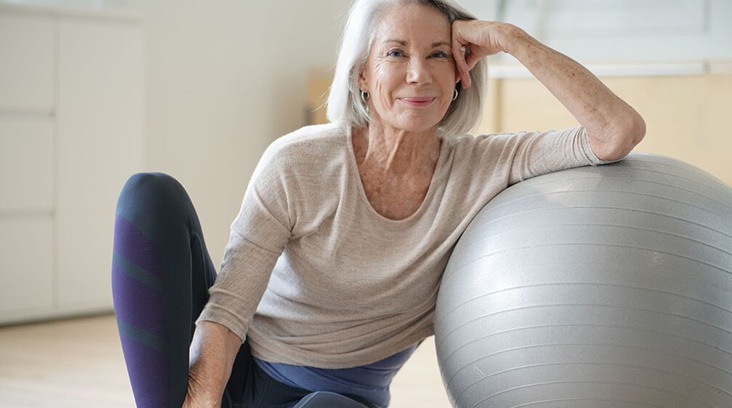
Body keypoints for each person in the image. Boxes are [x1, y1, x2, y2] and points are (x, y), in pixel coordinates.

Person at [111, 0, 646, 407]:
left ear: (461, 76)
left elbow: (616, 131)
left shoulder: (487, 166)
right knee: (148, 195)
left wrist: (510, 39)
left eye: (439, 54)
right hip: (237, 367)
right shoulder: (299, 162)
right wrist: (203, 397)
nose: (418, 73)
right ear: (362, 75)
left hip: (337, 399)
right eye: (396, 53)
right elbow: (228, 309)